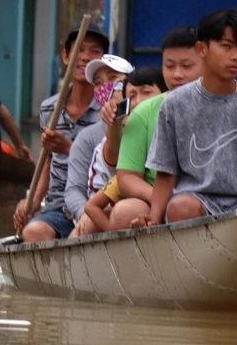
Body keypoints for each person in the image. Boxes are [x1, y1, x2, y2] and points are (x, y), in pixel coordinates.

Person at [129, 9, 237, 228]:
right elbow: (166, 172)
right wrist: (153, 218)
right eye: (227, 46)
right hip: (196, 199)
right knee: (181, 208)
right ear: (202, 49)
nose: (236, 56)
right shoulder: (175, 104)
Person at [14, 21, 108, 242]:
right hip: (58, 207)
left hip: (97, 205)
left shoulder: (108, 110)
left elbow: (111, 162)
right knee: (32, 232)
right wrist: (33, 202)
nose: (85, 57)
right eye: (79, 50)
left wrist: (68, 148)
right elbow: (47, 162)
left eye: (94, 52)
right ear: (66, 56)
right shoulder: (50, 109)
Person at [108, 26, 204, 230]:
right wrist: (160, 199)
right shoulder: (144, 111)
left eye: (187, 66)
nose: (177, 74)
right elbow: (127, 176)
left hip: (209, 199)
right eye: (169, 66)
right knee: (125, 212)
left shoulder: (226, 105)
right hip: (156, 198)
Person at [69, 65, 168, 237]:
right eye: (132, 96)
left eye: (146, 93)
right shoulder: (116, 131)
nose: (138, 102)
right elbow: (89, 203)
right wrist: (113, 233)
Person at [62, 54, 134, 237]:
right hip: (99, 212)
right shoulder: (86, 138)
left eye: (112, 79)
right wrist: (85, 215)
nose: (105, 88)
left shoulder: (148, 124)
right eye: (98, 83)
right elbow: (74, 189)